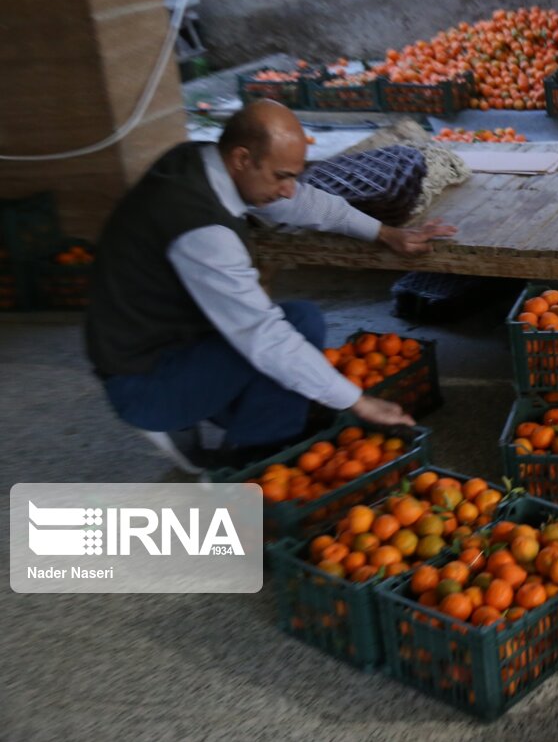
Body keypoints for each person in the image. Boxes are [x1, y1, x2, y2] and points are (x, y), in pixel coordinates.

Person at [85, 100, 457, 471]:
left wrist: (385, 233)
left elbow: (303, 204)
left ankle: (240, 423)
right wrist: (356, 401)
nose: (289, 189)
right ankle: (257, 460)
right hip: (144, 380)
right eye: (282, 176)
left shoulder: (203, 162)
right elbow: (262, 336)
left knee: (300, 322)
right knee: (288, 333)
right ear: (241, 158)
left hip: (175, 343)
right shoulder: (201, 229)